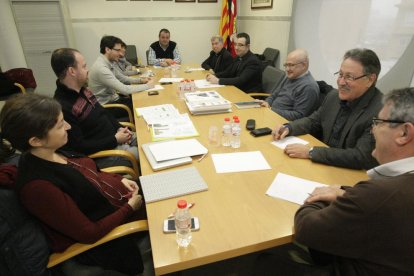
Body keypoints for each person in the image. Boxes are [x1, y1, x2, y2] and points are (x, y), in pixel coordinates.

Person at [255, 87, 414, 275]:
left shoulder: (378, 194)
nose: (373, 129)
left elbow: (307, 229)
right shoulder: (391, 189)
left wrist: (320, 195)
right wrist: (345, 192)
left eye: (379, 123)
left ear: (404, 134)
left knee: (262, 263)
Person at [0, 93, 146, 275]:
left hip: (119, 201)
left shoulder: (52, 150)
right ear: (35, 141)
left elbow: (91, 172)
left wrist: (120, 179)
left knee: (177, 183)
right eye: (60, 125)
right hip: (113, 234)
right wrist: (130, 208)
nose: (68, 126)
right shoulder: (38, 187)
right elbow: (89, 232)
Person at [272, 48, 382, 170]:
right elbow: (313, 121)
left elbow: (360, 156)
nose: (341, 82)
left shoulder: (381, 112)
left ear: (370, 80)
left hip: (349, 174)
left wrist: (311, 152)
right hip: (324, 166)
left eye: (349, 77)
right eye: (340, 74)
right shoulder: (333, 96)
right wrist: (289, 127)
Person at [52, 47, 138, 169]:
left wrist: (119, 128)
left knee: (148, 140)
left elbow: (103, 112)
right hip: (103, 153)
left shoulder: (83, 90)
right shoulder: (64, 107)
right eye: (84, 66)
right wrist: (115, 140)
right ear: (72, 71)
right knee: (145, 156)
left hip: (115, 138)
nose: (88, 70)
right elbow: (80, 147)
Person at [88, 35, 154, 114]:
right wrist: (148, 86)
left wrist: (141, 80)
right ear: (107, 49)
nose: (120, 54)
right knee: (143, 104)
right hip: (107, 107)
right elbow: (124, 90)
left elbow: (123, 78)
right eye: (118, 50)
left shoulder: (108, 62)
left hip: (114, 99)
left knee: (143, 99)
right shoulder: (102, 68)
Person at [257, 49, 320, 120]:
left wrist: (270, 109)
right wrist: (266, 103)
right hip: (271, 114)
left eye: (291, 65)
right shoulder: (291, 76)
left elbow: (298, 116)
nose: (287, 69)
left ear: (304, 65)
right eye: (286, 65)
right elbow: (274, 95)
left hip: (283, 123)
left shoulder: (309, 87)